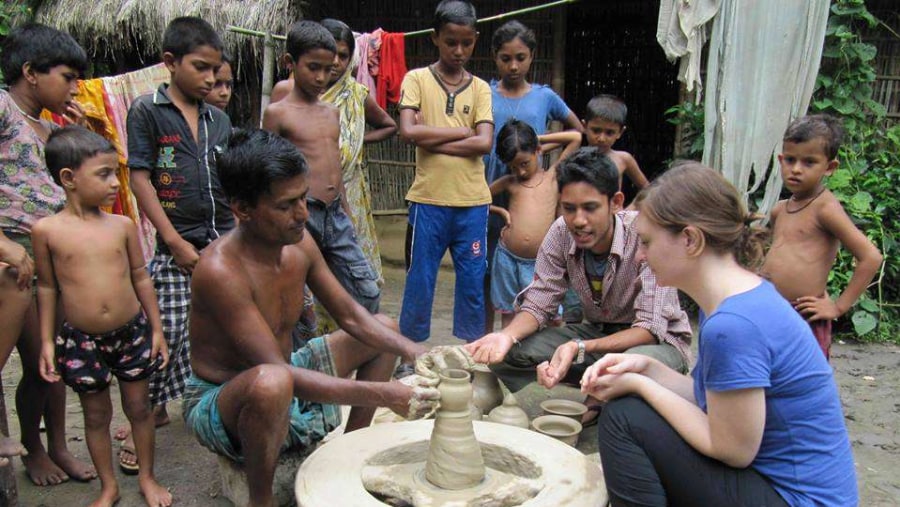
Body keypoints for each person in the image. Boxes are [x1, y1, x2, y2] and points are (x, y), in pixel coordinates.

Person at [183, 129, 440, 507]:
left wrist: (416, 352)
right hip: (223, 397)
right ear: (242, 209)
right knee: (272, 383)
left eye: (304, 198)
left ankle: (351, 451)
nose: (303, 214)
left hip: (284, 369)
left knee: (382, 329)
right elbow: (275, 371)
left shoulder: (299, 242)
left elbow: (352, 316)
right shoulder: (220, 270)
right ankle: (261, 500)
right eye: (286, 205)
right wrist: (385, 394)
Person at [581, 162, 858, 506]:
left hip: (798, 499)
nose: (639, 255)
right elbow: (713, 400)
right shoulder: (742, 298)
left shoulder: (734, 325)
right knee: (635, 406)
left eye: (647, 242)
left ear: (691, 239)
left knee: (625, 417)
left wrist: (639, 385)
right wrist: (645, 367)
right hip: (779, 487)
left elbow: (732, 449)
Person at [466, 148, 692, 417]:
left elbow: (649, 329)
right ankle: (597, 386)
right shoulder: (560, 232)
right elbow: (540, 302)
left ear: (616, 202)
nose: (578, 221)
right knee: (512, 352)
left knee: (628, 367)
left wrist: (580, 347)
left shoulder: (643, 235)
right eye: (569, 208)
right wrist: (505, 337)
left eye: (590, 208)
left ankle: (602, 399)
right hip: (596, 334)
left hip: (657, 345)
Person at [33, 126, 172, 507]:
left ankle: (147, 477)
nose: (115, 183)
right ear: (68, 179)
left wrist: (156, 329)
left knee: (139, 409)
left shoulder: (122, 226)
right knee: (95, 415)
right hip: (80, 339)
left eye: (116, 173)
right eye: (104, 174)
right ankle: (108, 487)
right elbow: (46, 288)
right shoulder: (46, 231)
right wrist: (47, 341)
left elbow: (140, 278)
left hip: (131, 332)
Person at [124, 16, 234, 473]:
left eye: (216, 70)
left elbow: (226, 182)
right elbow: (140, 178)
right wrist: (172, 240)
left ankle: (220, 406)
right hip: (175, 247)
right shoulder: (146, 110)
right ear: (170, 63)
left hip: (220, 240)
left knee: (221, 329)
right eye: (201, 67)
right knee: (165, 332)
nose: (211, 78)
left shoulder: (219, 119)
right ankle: (145, 417)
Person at [0, 22, 97, 485]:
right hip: (13, 250)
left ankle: (58, 444)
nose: (74, 87)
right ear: (30, 73)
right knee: (27, 355)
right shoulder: (2, 109)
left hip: (53, 254)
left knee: (51, 359)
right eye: (67, 76)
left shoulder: (52, 127)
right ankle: (33, 449)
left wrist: (76, 140)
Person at [396, 0, 494, 374]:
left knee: (471, 281)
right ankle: (409, 357)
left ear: (475, 41)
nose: (458, 51)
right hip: (428, 200)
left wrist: (429, 136)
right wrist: (461, 132)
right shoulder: (417, 79)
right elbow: (408, 131)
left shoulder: (481, 88)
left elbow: (484, 143)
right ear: (435, 38)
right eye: (450, 42)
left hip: (472, 203)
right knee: (419, 279)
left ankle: (469, 360)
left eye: (466, 43)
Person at [263, 20, 381, 315]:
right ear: (291, 62)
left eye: (327, 69)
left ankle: (349, 352)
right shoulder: (279, 113)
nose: (321, 77)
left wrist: (346, 210)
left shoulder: (331, 112)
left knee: (366, 291)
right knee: (297, 299)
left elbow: (333, 166)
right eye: (313, 67)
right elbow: (268, 171)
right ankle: (300, 359)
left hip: (335, 214)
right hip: (302, 214)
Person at [484, 20, 583, 331]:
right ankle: (490, 345)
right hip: (492, 190)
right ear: (494, 57)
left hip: (533, 193)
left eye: (521, 58)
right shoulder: (483, 94)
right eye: (505, 58)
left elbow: (577, 131)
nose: (513, 66)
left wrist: (537, 142)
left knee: (541, 282)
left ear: (532, 56)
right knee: (491, 275)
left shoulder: (544, 97)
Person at [761, 114, 882, 360]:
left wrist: (838, 306)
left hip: (805, 316)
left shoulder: (824, 209)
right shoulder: (779, 209)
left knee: (802, 382)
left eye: (809, 162)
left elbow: (871, 257)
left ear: (829, 167)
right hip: (772, 312)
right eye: (791, 160)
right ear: (781, 160)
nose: (796, 169)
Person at [313, 18, 398, 333]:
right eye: (329, 53)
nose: (335, 63)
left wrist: (361, 140)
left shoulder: (356, 94)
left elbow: (390, 125)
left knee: (355, 278)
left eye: (343, 55)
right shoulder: (299, 95)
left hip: (350, 198)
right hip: (309, 200)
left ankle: (352, 338)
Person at [488, 119, 580, 328]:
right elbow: (477, 201)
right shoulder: (509, 182)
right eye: (513, 166)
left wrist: (535, 139)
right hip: (507, 259)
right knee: (508, 312)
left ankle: (548, 357)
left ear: (538, 151)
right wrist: (500, 211)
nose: (519, 171)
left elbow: (575, 138)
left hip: (541, 262)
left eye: (524, 163)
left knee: (550, 315)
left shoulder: (552, 177)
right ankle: (508, 355)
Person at [582, 94, 650, 193]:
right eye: (596, 131)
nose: (601, 138)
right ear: (584, 126)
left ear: (620, 132)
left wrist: (631, 207)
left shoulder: (623, 159)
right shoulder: (576, 159)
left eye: (609, 133)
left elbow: (647, 190)